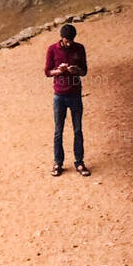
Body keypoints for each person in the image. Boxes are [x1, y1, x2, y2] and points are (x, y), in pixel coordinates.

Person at [44, 23, 89, 177]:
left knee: (78, 130)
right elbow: (47, 72)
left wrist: (76, 70)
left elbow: (84, 71)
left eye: (71, 41)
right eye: (66, 41)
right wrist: (59, 71)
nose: (69, 43)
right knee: (58, 130)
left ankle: (79, 161)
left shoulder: (79, 48)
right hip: (59, 96)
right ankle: (58, 162)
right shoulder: (52, 49)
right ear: (61, 38)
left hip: (75, 94)